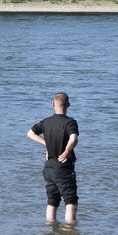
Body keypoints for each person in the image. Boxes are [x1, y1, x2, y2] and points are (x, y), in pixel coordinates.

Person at [27, 92, 80, 223]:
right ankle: (69, 232)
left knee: (52, 201)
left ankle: (50, 229)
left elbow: (30, 133)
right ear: (68, 105)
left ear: (52, 104)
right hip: (63, 168)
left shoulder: (46, 122)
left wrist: (47, 144)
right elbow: (74, 138)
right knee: (70, 201)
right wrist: (67, 150)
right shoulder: (70, 122)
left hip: (48, 169)